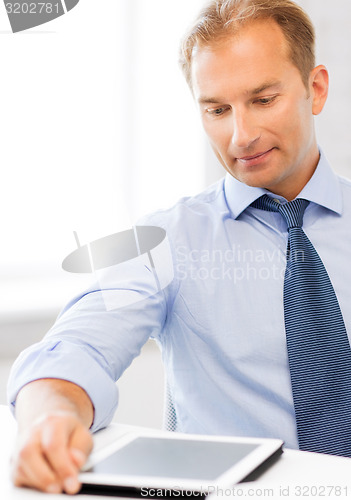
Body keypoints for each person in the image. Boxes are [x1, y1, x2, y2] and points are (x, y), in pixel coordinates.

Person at [8, 0, 351, 495]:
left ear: (314, 89)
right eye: (217, 109)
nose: (241, 135)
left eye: (263, 99)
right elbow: (77, 346)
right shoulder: (164, 241)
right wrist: (50, 414)